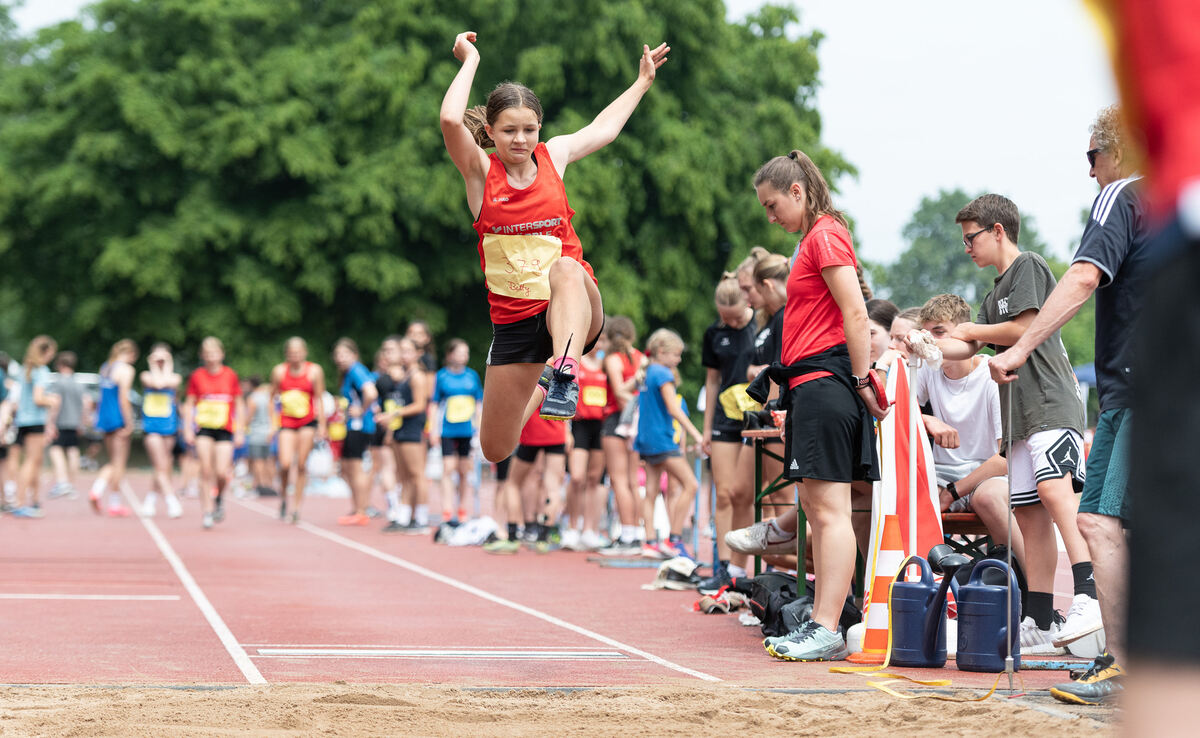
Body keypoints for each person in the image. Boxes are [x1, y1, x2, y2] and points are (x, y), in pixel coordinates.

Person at [439, 30, 668, 461]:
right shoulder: (480, 174)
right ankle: (549, 381)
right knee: (495, 449)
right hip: (513, 322)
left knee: (565, 267)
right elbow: (451, 121)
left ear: (539, 128)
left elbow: (603, 129)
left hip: (572, 308)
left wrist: (641, 83)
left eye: (529, 129)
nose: (520, 140)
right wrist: (470, 59)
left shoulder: (554, 156)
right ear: (490, 131)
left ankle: (564, 370)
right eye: (509, 131)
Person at [990, 104, 1148, 704]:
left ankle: (1128, 665)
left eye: (1092, 156)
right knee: (1111, 523)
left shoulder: (1122, 194)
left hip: (1141, 389)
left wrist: (1017, 349)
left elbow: (1082, 276)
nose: (1090, 171)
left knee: (1099, 522)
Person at [926, 193, 1096, 657]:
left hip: (1051, 405)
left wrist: (970, 331)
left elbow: (1025, 327)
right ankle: (1041, 617)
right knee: (1029, 516)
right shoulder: (992, 293)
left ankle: (1088, 595)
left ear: (997, 231)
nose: (966, 247)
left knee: (1056, 494)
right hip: (1019, 418)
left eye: (971, 238)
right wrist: (928, 345)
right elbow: (967, 347)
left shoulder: (1028, 266)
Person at [751, 150, 886, 663]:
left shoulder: (826, 234)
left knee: (829, 513)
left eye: (772, 205)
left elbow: (856, 310)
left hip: (826, 383)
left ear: (797, 192)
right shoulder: (815, 238)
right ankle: (825, 620)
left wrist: (861, 378)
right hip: (812, 385)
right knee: (818, 509)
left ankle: (827, 626)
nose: (770, 217)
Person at [913, 295, 1020, 554]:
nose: (931, 343)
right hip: (941, 472)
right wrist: (927, 418)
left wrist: (953, 492)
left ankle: (1024, 574)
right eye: (926, 335)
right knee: (905, 497)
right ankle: (923, 573)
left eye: (939, 332)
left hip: (988, 474)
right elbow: (896, 412)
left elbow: (1006, 458)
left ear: (963, 334)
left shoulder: (991, 374)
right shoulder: (928, 368)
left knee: (988, 498)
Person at [697, 273, 754, 588]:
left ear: (747, 303)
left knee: (746, 494)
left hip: (755, 417)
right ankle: (723, 566)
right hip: (724, 418)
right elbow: (712, 381)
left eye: (735, 319)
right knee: (724, 493)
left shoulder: (761, 326)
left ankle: (744, 568)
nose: (730, 323)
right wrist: (706, 427)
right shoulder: (714, 333)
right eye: (724, 318)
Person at [633, 329, 705, 560]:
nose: (679, 360)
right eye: (676, 355)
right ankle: (673, 539)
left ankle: (649, 541)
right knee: (691, 484)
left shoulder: (646, 372)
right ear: (662, 351)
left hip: (645, 439)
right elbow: (674, 409)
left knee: (651, 491)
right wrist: (697, 435)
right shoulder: (663, 373)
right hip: (661, 440)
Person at [182, 337, 244, 529]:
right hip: (204, 428)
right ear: (202, 356)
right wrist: (187, 428)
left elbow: (239, 403)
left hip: (224, 429)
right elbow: (189, 403)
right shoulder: (197, 376)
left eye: (214, 353)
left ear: (221, 354)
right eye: (207, 354)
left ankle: (219, 498)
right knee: (205, 470)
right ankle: (207, 511)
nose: (211, 357)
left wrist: (240, 431)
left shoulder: (230, 375)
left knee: (221, 472)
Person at [596, 316, 645, 556]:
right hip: (637, 421)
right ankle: (636, 534)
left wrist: (629, 415)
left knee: (619, 480)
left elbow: (619, 392)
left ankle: (627, 536)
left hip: (618, 419)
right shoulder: (641, 358)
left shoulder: (612, 359)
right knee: (633, 481)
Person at [270, 337, 327, 524]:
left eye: (298, 352)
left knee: (302, 464)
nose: (295, 356)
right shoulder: (279, 371)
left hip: (307, 422)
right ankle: (283, 496)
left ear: (305, 352)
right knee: (285, 463)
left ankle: (296, 506)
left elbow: (319, 398)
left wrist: (322, 425)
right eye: (291, 353)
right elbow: (272, 397)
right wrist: (273, 423)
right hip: (286, 421)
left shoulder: (314, 371)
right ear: (287, 354)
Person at [380, 337, 431, 533]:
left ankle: (422, 518)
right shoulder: (404, 375)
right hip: (400, 428)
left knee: (417, 474)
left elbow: (419, 405)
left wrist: (394, 414)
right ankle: (404, 516)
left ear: (418, 354)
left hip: (412, 428)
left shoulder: (417, 376)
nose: (404, 355)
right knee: (404, 476)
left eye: (408, 351)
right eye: (402, 351)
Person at [563, 337, 610, 551]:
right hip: (580, 425)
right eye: (597, 340)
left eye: (603, 341)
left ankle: (590, 530)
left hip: (601, 426)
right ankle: (572, 527)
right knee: (576, 477)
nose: (599, 344)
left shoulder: (607, 364)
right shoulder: (577, 362)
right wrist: (566, 431)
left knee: (595, 479)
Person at [430, 338, 483, 524]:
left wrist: (479, 428)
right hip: (447, 430)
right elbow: (434, 404)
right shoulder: (442, 376)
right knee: (448, 468)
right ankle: (447, 508)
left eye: (466, 353)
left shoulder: (472, 376)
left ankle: (462, 507)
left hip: (467, 430)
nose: (463, 356)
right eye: (460, 352)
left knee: (463, 470)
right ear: (450, 354)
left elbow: (478, 403)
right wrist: (433, 429)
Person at [10, 336, 59, 518]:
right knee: (31, 462)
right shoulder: (41, 371)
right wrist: (52, 400)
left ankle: (35, 500)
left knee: (35, 461)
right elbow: (38, 398)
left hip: (23, 420)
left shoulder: (25, 369)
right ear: (45, 352)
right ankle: (20, 502)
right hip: (35, 421)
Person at [331, 338, 378, 526]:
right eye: (338, 355)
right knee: (346, 468)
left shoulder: (357, 370)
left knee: (355, 468)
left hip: (360, 426)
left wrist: (361, 410)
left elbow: (371, 393)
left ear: (354, 355)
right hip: (352, 426)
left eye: (345, 354)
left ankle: (362, 510)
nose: (340, 358)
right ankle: (358, 507)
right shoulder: (348, 373)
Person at [90, 339, 138, 517]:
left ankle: (102, 493)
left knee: (113, 460)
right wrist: (129, 422)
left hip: (104, 418)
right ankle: (107, 498)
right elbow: (123, 399)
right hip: (118, 418)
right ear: (132, 354)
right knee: (119, 463)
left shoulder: (105, 367)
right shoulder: (126, 369)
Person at [140, 343, 184, 519]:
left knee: (164, 466)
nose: (159, 361)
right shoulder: (146, 376)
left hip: (169, 427)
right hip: (151, 427)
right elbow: (158, 384)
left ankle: (150, 499)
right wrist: (153, 365)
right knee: (160, 465)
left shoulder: (175, 377)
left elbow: (166, 382)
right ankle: (171, 500)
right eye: (156, 358)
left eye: (163, 358)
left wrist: (168, 364)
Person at [47, 351, 88, 500]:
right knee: (73, 451)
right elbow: (86, 403)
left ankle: (62, 482)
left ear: (60, 364)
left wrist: (50, 423)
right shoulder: (78, 383)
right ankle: (71, 485)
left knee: (55, 450)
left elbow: (55, 403)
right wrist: (82, 422)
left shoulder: (59, 382)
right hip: (75, 422)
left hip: (61, 421)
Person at [244, 376, 276, 498]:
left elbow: (250, 416)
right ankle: (269, 484)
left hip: (256, 433)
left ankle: (261, 485)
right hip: (267, 432)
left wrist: (243, 425)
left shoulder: (252, 398)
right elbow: (272, 414)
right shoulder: (268, 397)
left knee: (257, 460)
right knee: (268, 460)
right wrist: (272, 429)